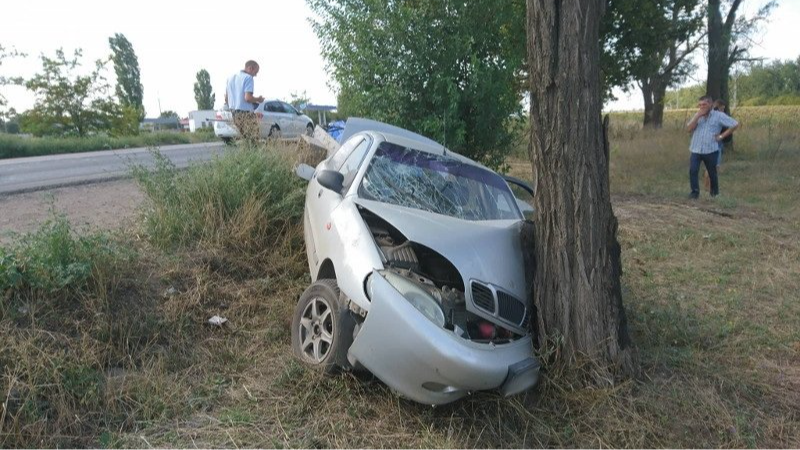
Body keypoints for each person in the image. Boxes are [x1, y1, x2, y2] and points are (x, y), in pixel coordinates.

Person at [686, 95, 738, 199]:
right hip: (696, 148)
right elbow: (688, 129)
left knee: (712, 173)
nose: (702, 107)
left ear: (710, 104)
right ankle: (694, 192)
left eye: (704, 104)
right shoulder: (697, 115)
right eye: (700, 105)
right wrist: (697, 116)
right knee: (693, 170)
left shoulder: (718, 116)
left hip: (710, 149)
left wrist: (721, 136)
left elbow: (735, 124)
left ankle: (714, 194)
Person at [225, 60, 265, 142]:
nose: (255, 75)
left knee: (246, 140)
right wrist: (258, 99)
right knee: (254, 140)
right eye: (255, 72)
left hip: (234, 114)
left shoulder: (230, 78)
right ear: (250, 68)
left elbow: (226, 99)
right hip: (246, 114)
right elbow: (248, 98)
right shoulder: (248, 78)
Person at [703, 99, 730, 192]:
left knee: (711, 167)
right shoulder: (717, 117)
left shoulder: (709, 115)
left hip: (715, 143)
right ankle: (709, 187)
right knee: (714, 166)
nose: (723, 111)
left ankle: (708, 187)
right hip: (715, 144)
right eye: (722, 109)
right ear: (718, 107)